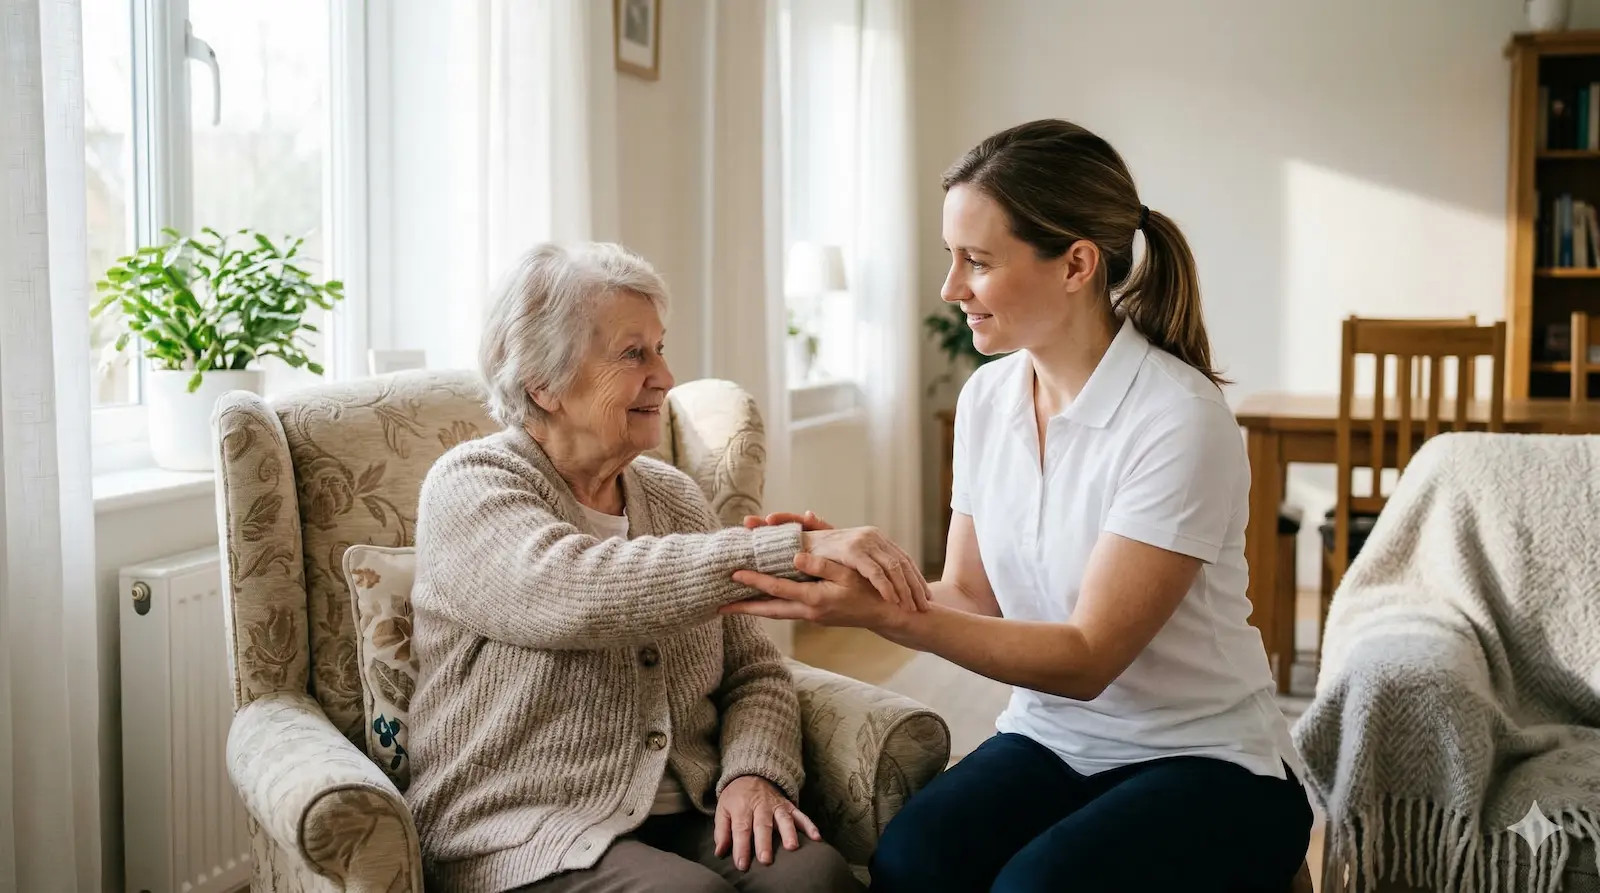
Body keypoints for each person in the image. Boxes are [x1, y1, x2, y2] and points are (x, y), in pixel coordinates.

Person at [728, 120, 1313, 892]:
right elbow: (971, 595)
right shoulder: (988, 399)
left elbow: (1087, 657)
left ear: (1076, 264)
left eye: (977, 261)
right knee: (910, 860)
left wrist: (887, 617)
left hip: (1207, 755)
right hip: (1055, 738)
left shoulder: (1177, 416)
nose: (950, 287)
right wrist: (848, 573)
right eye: (951, 257)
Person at [406, 241, 926, 893]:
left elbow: (753, 669)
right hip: (524, 826)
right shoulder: (471, 484)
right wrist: (783, 549)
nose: (666, 375)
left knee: (813, 878)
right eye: (634, 353)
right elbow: (575, 590)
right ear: (543, 381)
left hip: (688, 808)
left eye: (660, 347)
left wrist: (753, 772)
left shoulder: (673, 495)